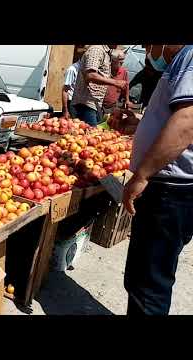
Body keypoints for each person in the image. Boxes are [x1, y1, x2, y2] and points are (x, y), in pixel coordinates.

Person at [121, 44, 193, 315]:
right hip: (176, 189)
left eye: (149, 44)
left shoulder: (190, 55)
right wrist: (140, 124)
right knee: (149, 277)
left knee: (148, 284)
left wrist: (142, 175)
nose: (149, 50)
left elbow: (187, 121)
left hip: (169, 190)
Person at [71, 45, 127, 126]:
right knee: (89, 135)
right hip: (85, 105)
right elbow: (90, 75)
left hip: (93, 104)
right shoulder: (97, 50)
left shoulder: (105, 52)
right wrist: (116, 82)